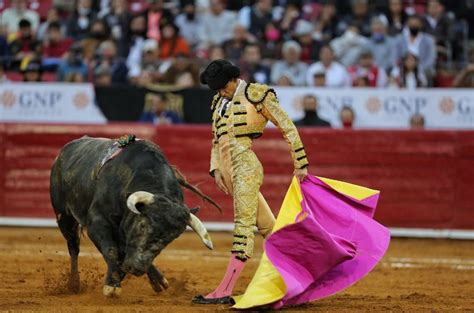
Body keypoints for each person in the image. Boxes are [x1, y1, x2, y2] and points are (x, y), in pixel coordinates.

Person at [193, 59, 308, 304]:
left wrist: (300, 162)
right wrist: (216, 169)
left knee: (243, 227)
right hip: (230, 171)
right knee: (269, 228)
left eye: (222, 87)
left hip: (245, 167)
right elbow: (216, 139)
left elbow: (287, 127)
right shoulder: (219, 101)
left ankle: (224, 290)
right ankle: (301, 282)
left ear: (234, 79)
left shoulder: (257, 94)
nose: (220, 92)